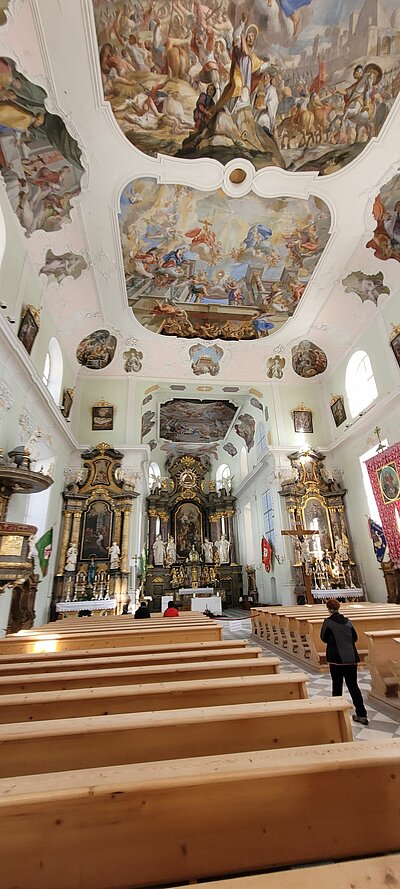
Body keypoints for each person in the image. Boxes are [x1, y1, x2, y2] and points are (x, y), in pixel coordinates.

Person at [320, 598, 368, 726]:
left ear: (328, 609)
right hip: (351, 657)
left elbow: (323, 638)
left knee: (337, 685)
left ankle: (337, 712)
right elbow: (355, 638)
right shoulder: (348, 621)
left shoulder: (328, 622)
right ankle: (362, 714)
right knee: (353, 686)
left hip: (336, 658)